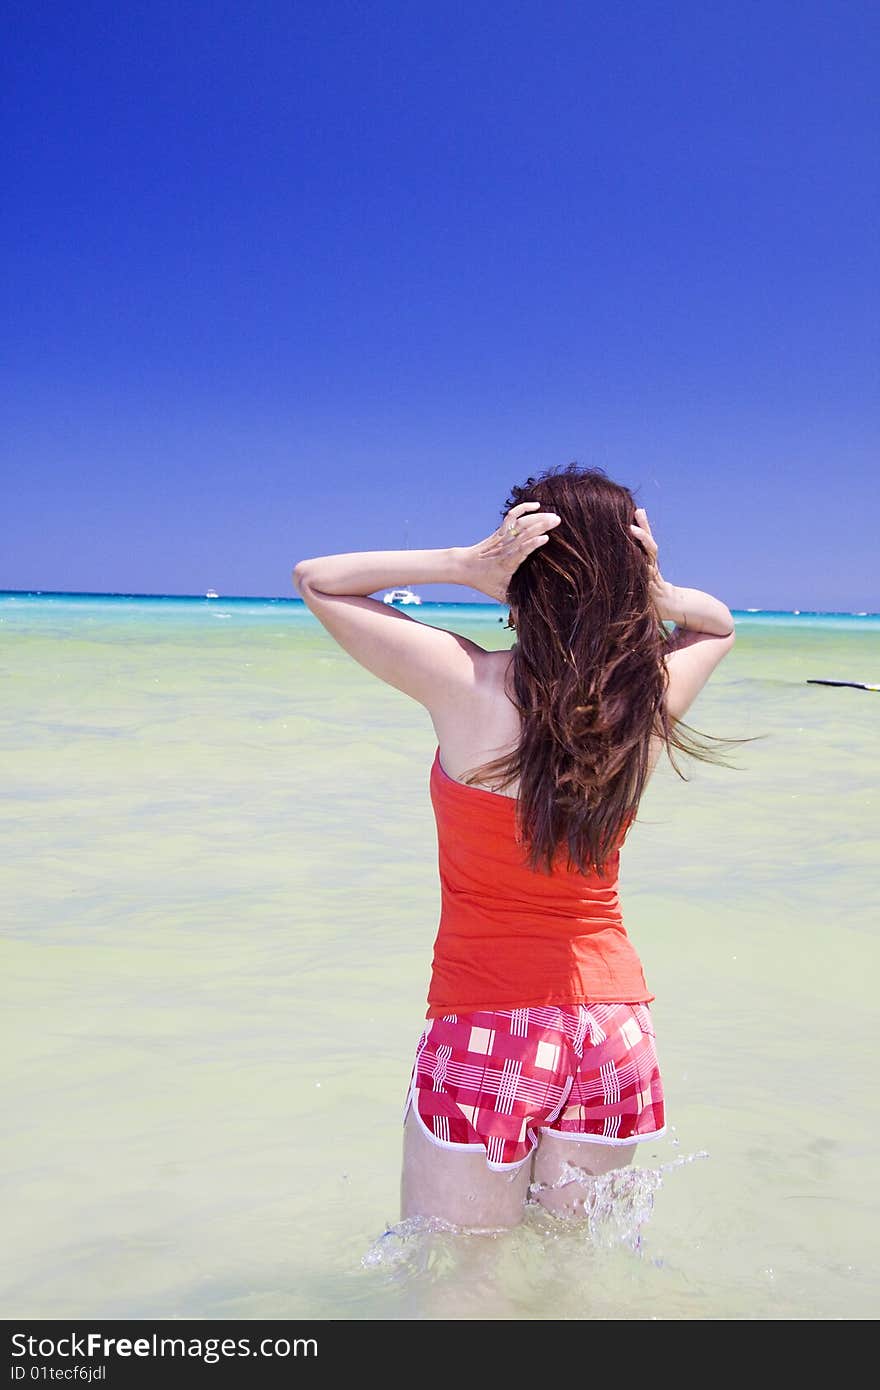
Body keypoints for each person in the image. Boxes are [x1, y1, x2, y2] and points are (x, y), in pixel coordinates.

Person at [293, 462, 737, 1231]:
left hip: (486, 1022)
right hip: (613, 1031)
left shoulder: (465, 682)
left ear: (518, 568)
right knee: (570, 1280)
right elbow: (719, 624)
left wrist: (464, 567)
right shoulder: (644, 702)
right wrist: (652, 591)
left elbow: (319, 580)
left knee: (459, 1291)